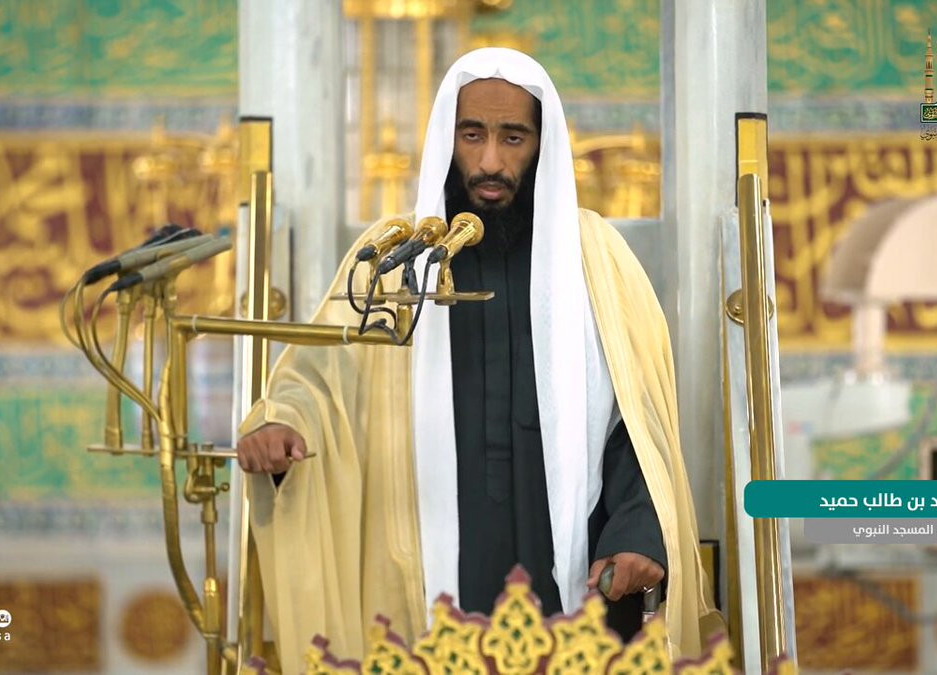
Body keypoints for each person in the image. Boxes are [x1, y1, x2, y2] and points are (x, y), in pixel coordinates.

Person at [236, 47, 719, 667]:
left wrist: (638, 530)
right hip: (423, 567)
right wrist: (281, 423)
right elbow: (321, 374)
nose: (491, 161)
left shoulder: (597, 258)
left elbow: (639, 421)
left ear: (543, 144)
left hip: (575, 573)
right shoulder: (395, 257)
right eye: (473, 135)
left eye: (512, 137)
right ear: (448, 138)